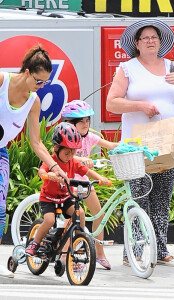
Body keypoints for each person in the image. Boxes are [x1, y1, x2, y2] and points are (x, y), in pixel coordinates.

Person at [106, 19, 174, 267]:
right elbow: (111, 102)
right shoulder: (127, 68)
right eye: (145, 37)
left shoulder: (172, 66)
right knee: (138, 197)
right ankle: (132, 252)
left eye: (154, 37)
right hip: (136, 145)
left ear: (160, 41)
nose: (151, 40)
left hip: (166, 142)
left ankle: (161, 249)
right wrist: (141, 105)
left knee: (162, 199)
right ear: (136, 43)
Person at [0, 45, 68, 278]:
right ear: (27, 72)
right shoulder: (1, 81)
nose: (41, 87)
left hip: (0, 153)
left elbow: (36, 143)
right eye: (39, 81)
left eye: (45, 83)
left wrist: (56, 166)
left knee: (0, 210)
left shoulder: (33, 102)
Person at [25, 122, 110, 261]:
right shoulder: (51, 160)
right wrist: (48, 175)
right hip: (49, 199)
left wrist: (100, 178)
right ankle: (35, 243)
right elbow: (41, 170)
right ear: (56, 148)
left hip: (64, 198)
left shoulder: (73, 162)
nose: (70, 156)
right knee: (49, 220)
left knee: (80, 213)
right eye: (67, 152)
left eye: (73, 152)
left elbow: (86, 171)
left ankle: (78, 241)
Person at [61, 100, 118, 270]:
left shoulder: (90, 137)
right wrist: (80, 159)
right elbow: (64, 156)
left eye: (87, 121)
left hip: (85, 182)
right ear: (70, 123)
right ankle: (68, 255)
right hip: (70, 182)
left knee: (98, 214)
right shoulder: (66, 137)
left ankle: (99, 254)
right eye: (81, 122)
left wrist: (126, 147)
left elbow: (109, 145)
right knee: (76, 217)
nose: (85, 125)